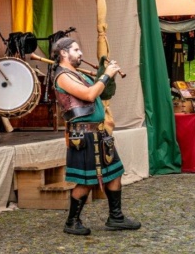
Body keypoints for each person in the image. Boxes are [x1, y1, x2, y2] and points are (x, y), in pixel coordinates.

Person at [53, 37, 140, 236]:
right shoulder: (62, 77)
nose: (80, 53)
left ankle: (115, 217)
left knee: (114, 172)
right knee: (87, 180)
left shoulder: (78, 73)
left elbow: (101, 94)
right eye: (75, 50)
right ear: (63, 53)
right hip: (83, 135)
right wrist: (105, 76)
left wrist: (108, 78)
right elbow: (89, 95)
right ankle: (72, 222)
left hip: (99, 133)